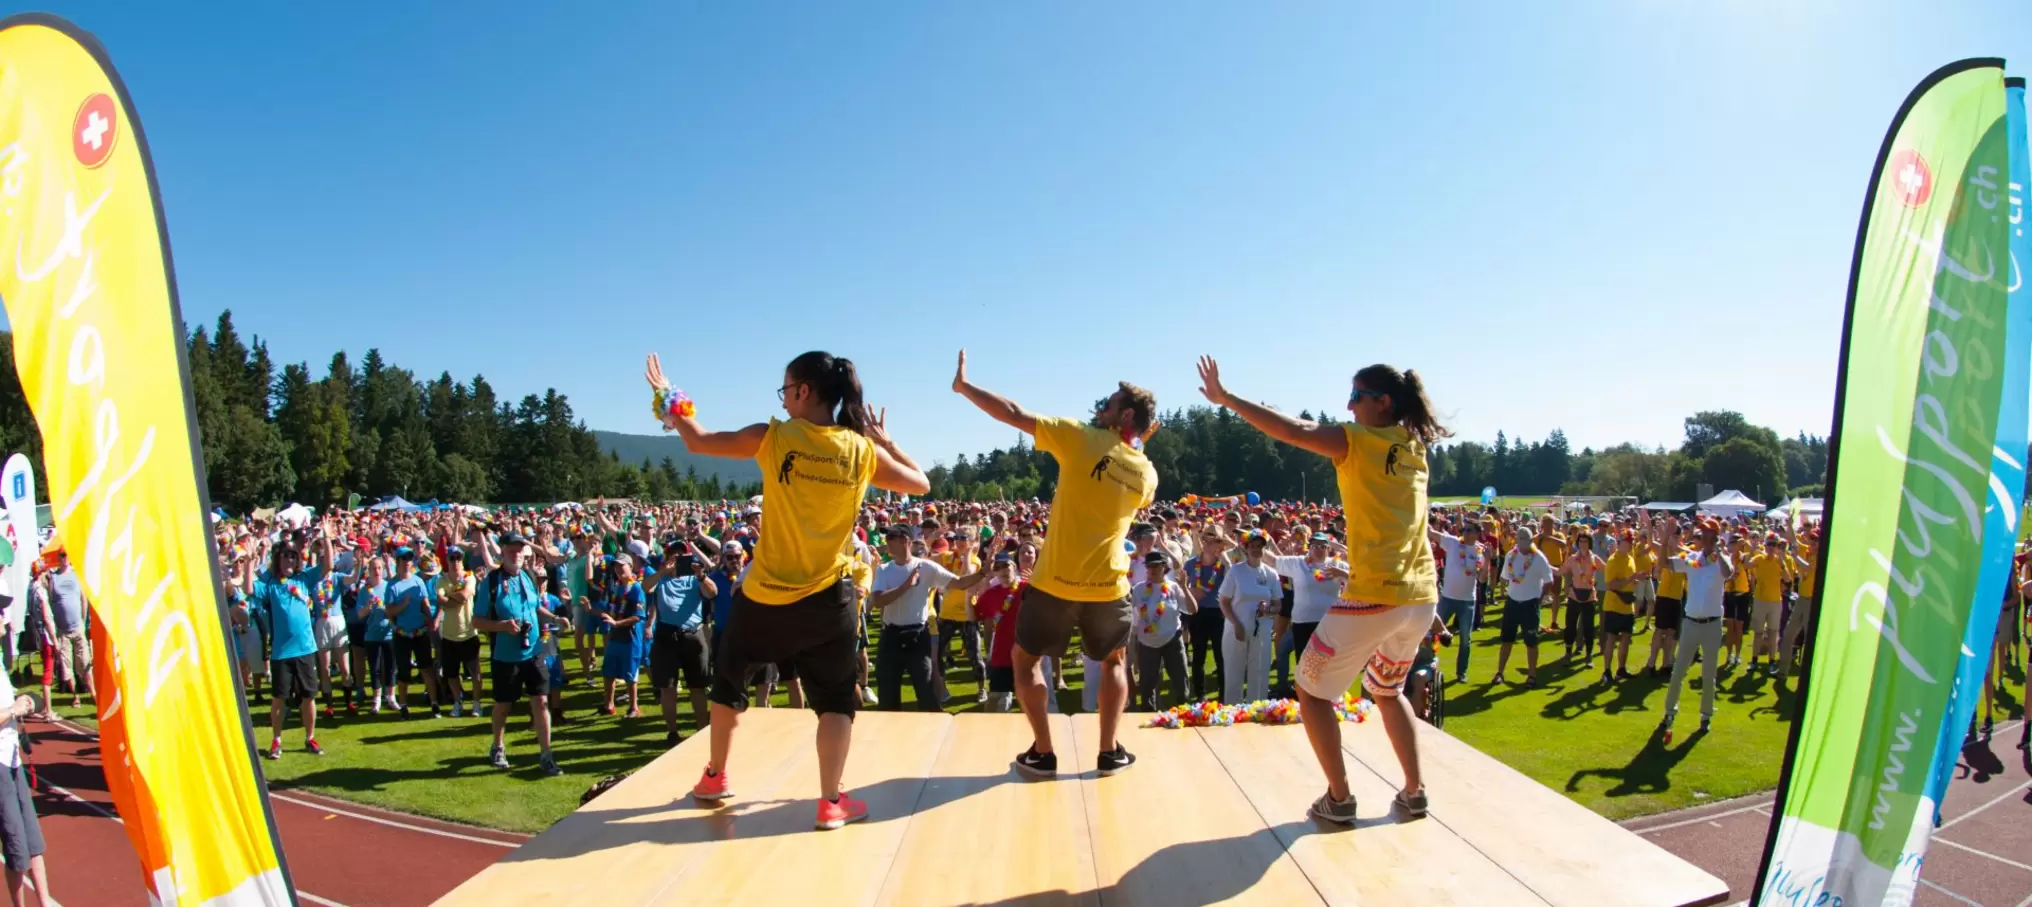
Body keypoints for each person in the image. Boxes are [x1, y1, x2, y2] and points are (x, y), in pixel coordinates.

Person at [648, 350, 929, 831]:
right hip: (829, 601)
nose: (782, 400)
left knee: (729, 681)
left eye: (785, 390)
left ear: (803, 391)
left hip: (765, 598)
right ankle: (830, 802)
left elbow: (696, 440)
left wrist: (666, 394)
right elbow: (921, 483)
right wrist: (884, 440)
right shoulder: (860, 451)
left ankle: (715, 776)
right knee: (837, 700)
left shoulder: (773, 437)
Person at [1196, 356, 1445, 825]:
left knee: (1310, 691)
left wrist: (1228, 399)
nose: (1348, 406)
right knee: (1388, 691)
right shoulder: (1414, 446)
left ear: (1382, 402)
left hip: (1376, 591)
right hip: (1420, 596)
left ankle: (1340, 797)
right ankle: (1415, 792)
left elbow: (1293, 430)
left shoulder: (1359, 442)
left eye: (1355, 396)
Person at [952, 349, 1157, 777]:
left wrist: (965, 387)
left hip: (1055, 584)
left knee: (1024, 661)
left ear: (1125, 415)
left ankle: (1043, 752)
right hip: (1109, 586)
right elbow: (1130, 458)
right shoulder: (1148, 473)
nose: (1101, 406)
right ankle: (1109, 751)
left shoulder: (1080, 437)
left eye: (1110, 402)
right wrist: (1135, 440)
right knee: (1115, 662)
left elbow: (1013, 413)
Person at [472, 530, 568, 775]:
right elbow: (477, 621)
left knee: (541, 700)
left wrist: (557, 617)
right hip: (506, 655)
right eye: (512, 550)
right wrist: (502, 627)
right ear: (502, 551)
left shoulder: (527, 576)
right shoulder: (491, 582)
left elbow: (536, 609)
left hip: (534, 650)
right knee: (504, 705)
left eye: (520, 550)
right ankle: (498, 745)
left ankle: (546, 754)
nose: (517, 554)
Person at [871, 526, 991, 711]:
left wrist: (983, 572)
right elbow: (878, 601)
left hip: (918, 636)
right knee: (887, 695)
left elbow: (959, 583)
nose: (886, 540)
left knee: (926, 692)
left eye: (891, 537)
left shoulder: (926, 567)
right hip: (891, 637)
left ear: (905, 541)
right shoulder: (884, 570)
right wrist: (906, 585)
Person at [248, 524, 336, 759]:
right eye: (285, 555)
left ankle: (310, 738)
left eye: (293, 556)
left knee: (309, 696)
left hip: (306, 648)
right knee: (280, 698)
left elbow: (328, 565)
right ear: (278, 559)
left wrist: (327, 536)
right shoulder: (271, 585)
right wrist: (248, 562)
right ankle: (276, 740)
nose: (289, 559)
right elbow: (248, 589)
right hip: (281, 652)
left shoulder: (304, 579)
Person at [1658, 519, 1732, 744]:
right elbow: (1664, 563)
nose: (1705, 540)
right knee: (1678, 670)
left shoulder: (1721, 560)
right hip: (1691, 623)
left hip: (1712, 624)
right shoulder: (1691, 559)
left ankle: (1706, 715)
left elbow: (1728, 573)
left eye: (1710, 536)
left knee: (1709, 674)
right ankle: (1670, 712)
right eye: (1703, 536)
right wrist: (1664, 540)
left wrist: (1717, 549)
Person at [645, 546, 715, 747]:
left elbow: (712, 593)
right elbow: (645, 587)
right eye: (672, 555)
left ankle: (702, 730)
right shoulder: (660, 579)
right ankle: (673, 732)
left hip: (692, 635)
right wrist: (662, 572)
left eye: (680, 556)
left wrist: (700, 575)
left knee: (698, 687)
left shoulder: (695, 578)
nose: (676, 559)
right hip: (666, 637)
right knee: (668, 688)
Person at [1217, 532, 1283, 704]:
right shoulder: (1236, 571)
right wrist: (1236, 624)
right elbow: (1223, 601)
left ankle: (1257, 711)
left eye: (1260, 546)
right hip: (1236, 630)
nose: (1256, 550)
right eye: (1253, 546)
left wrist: (1267, 609)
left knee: (1260, 673)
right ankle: (1232, 711)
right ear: (1246, 549)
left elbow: (1278, 605)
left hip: (1262, 631)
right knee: (1234, 673)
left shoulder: (1271, 574)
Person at [0, 668, 47, 907]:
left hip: (12, 761)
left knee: (33, 842)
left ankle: (45, 903)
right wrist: (12, 710)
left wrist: (26, 701)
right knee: (17, 848)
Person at [1129, 552, 1195, 710]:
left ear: (1164, 567)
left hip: (1172, 639)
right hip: (1147, 643)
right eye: (1149, 566)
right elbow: (1130, 616)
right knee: (1147, 685)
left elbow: (1192, 610)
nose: (1152, 569)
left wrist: (1185, 587)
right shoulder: (1138, 590)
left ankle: (1184, 712)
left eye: (1156, 566)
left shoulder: (1173, 587)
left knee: (1180, 680)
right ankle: (1148, 716)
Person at [383, 548, 442, 718]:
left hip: (420, 632)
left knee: (427, 669)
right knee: (404, 672)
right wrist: (403, 604)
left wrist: (431, 620)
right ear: (398, 561)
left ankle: (434, 703)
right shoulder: (392, 585)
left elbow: (424, 603)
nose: (407, 561)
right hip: (402, 634)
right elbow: (389, 611)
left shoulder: (418, 581)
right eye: (404, 558)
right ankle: (403, 705)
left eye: (410, 558)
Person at [1493, 527, 1553, 687]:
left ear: (1530, 542)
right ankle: (1500, 672)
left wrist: (1540, 600)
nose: (1522, 544)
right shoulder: (1511, 556)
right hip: (1512, 603)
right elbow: (1505, 577)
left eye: (1525, 541)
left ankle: (1532, 675)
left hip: (1530, 604)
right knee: (1507, 640)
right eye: (1520, 541)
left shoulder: (1539, 558)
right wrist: (1504, 592)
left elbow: (1549, 580)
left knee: (1531, 641)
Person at [1430, 521, 1485, 683]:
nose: (1465, 532)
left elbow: (1482, 578)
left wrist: (1487, 561)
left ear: (1477, 534)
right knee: (1432, 633)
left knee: (1465, 640)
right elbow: (1433, 533)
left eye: (1469, 530)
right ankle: (1428, 666)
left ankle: (1462, 672)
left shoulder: (1480, 551)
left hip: (1467, 601)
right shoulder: (1453, 542)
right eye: (1464, 530)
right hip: (1447, 598)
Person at [1182, 530, 1231, 702]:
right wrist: (1192, 592)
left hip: (1218, 613)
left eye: (1215, 541)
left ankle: (1224, 695)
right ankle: (1200, 695)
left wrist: (1226, 560)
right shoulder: (1190, 564)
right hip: (1198, 613)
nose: (1210, 545)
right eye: (1207, 541)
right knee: (1199, 655)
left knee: (1221, 655)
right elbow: (1184, 588)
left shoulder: (1224, 565)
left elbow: (1233, 582)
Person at [435, 548, 483, 718]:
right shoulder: (441, 580)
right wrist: (453, 598)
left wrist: (450, 597)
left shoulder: (469, 577)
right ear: (447, 560)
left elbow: (464, 596)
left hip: (469, 633)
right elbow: (440, 599)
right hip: (449, 635)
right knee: (452, 674)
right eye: (452, 558)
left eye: (458, 558)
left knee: (474, 672)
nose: (455, 561)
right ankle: (458, 702)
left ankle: (477, 703)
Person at [600, 556, 648, 718]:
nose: (619, 570)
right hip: (615, 636)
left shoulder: (636, 589)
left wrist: (617, 623)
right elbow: (609, 611)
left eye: (622, 567)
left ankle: (634, 707)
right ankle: (608, 705)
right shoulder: (617, 588)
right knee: (608, 671)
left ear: (631, 567)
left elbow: (638, 616)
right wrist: (589, 609)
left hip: (630, 637)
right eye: (616, 567)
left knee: (630, 674)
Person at [43, 551, 89, 709]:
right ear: (58, 557)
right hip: (63, 631)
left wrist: (83, 621)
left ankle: (92, 692)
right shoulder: (53, 578)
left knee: (84, 663)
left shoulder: (77, 575)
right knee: (66, 667)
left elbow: (83, 599)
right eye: (62, 555)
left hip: (78, 628)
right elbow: (50, 601)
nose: (65, 558)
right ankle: (76, 696)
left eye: (67, 554)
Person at [1599, 531, 1640, 683]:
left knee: (1626, 637)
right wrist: (1630, 579)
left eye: (1632, 542)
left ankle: (1621, 669)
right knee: (1611, 638)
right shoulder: (1613, 560)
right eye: (1629, 541)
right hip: (1613, 605)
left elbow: (1629, 580)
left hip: (1627, 605)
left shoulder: (1631, 559)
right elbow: (1610, 585)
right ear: (1621, 542)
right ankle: (1607, 671)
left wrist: (1635, 581)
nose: (1631, 544)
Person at [1558, 532, 1604, 667]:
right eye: (1581, 541)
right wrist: (1545, 567)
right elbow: (1560, 571)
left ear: (1590, 543)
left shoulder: (1594, 559)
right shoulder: (1572, 558)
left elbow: (1608, 569)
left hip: (1589, 596)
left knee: (1589, 627)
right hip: (1574, 596)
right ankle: (1568, 653)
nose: (1583, 544)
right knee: (1570, 626)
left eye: (1585, 541)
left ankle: (1588, 656)